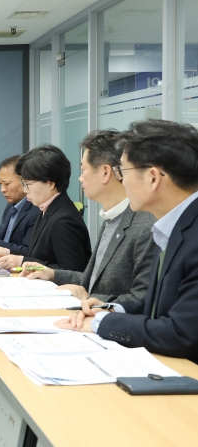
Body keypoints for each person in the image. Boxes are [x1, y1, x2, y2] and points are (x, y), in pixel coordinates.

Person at [57, 119, 198, 363]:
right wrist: (109, 309)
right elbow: (156, 305)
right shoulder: (174, 225)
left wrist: (103, 323)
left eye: (123, 171)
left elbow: (181, 333)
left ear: (152, 177)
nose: (120, 180)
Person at [22, 130, 157, 303]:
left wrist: (91, 299)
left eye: (84, 170)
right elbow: (91, 281)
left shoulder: (144, 225)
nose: (80, 178)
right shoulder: (111, 218)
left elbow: (143, 299)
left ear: (105, 172)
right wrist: (52, 274)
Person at [0, 145, 91, 271]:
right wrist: (8, 253)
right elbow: (37, 255)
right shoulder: (47, 209)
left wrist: (21, 262)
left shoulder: (64, 220)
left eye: (28, 184)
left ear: (50, 184)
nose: (25, 190)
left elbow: (71, 272)